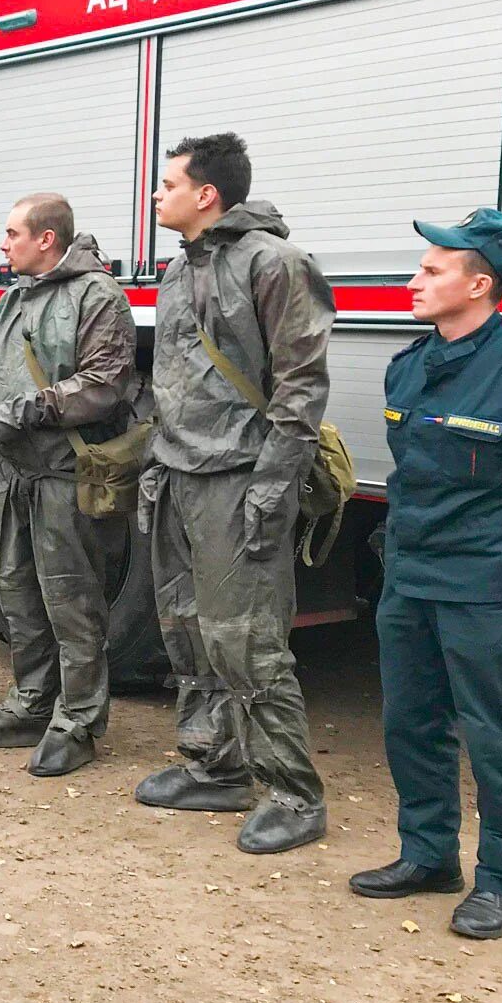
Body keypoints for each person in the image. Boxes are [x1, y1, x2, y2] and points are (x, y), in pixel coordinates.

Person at [140, 132, 333, 854]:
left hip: (240, 479)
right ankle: (215, 767)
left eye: (167, 185)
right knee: (187, 629)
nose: (158, 196)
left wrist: (271, 488)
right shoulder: (177, 268)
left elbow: (300, 388)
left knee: (245, 639)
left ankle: (293, 793)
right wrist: (158, 461)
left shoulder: (275, 264)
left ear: (207, 195)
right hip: (180, 475)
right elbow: (176, 381)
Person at [348, 210, 502, 939]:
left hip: (488, 587)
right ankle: (428, 855)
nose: (413, 282)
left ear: (480, 284)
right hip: (412, 577)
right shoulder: (411, 365)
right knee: (410, 722)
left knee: (499, 734)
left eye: (432, 271)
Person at [0, 195, 137, 776]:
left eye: (11, 234)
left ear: (47, 239)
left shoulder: (98, 297)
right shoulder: (13, 297)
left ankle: (79, 721)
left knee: (72, 600)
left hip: (63, 474)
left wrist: (18, 413)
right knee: (17, 591)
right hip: (14, 472)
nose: (3, 245)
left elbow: (103, 384)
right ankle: (32, 701)